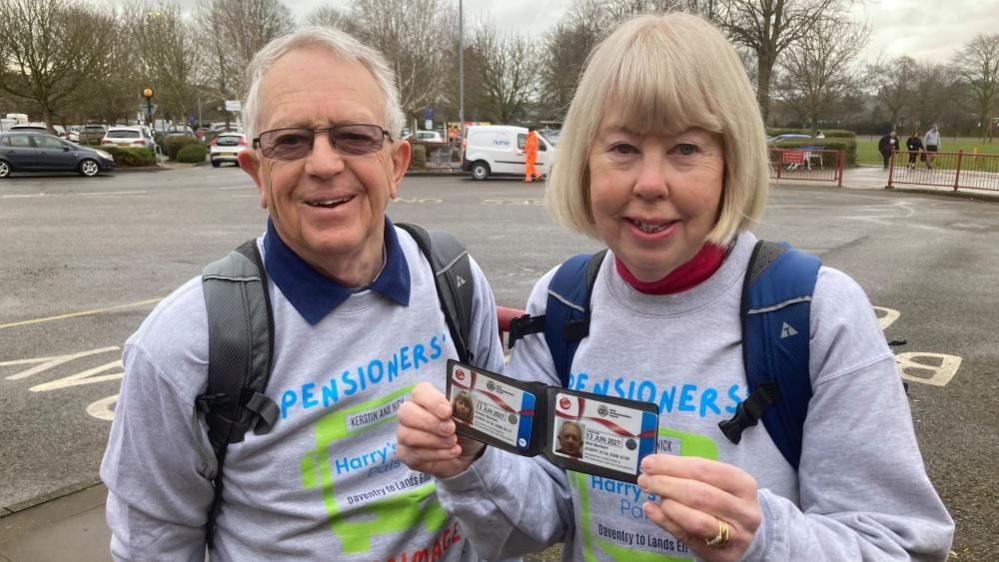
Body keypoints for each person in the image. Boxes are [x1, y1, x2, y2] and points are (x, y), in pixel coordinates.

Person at [396, 13, 953, 562]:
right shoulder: (563, 302)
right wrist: (473, 462)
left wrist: (764, 542)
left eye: (686, 149)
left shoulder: (816, 313)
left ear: (731, 162)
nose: (650, 183)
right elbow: (539, 520)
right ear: (585, 162)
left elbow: (900, 544)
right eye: (622, 148)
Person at [100, 27, 507, 561]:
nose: (322, 164)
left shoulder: (454, 279)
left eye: (355, 136)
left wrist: (474, 461)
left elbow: (506, 485)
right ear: (258, 174)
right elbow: (152, 547)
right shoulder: (182, 345)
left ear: (397, 164)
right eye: (290, 141)